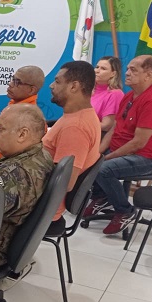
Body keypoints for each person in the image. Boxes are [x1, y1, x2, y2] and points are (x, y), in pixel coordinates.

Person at [85, 55, 152, 234]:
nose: (127, 73)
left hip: (148, 157)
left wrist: (107, 157)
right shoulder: (129, 95)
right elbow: (114, 128)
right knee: (92, 159)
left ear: (149, 75)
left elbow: (139, 142)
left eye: (133, 70)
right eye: (128, 69)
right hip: (123, 150)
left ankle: (124, 211)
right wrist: (98, 152)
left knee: (103, 168)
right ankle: (101, 197)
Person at [0, 105, 53, 269]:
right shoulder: (41, 154)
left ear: (22, 134)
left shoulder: (8, 177)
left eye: (1, 129)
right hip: (2, 236)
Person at [44, 61, 101, 218]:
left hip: (42, 210)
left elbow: (65, 183)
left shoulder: (76, 127)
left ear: (74, 86)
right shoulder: (78, 116)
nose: (51, 86)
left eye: (57, 81)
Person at [91, 56, 125, 136]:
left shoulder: (115, 94)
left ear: (113, 74)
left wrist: (81, 125)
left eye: (103, 68)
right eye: (97, 67)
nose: (97, 71)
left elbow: (106, 126)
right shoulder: (88, 90)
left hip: (99, 137)